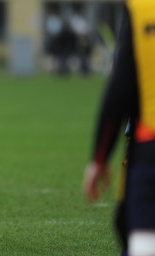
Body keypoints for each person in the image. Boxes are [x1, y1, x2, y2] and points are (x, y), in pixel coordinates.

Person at [83, 1, 155, 255]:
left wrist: (99, 158)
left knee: (141, 240)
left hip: (149, 150)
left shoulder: (141, 8)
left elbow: (121, 88)